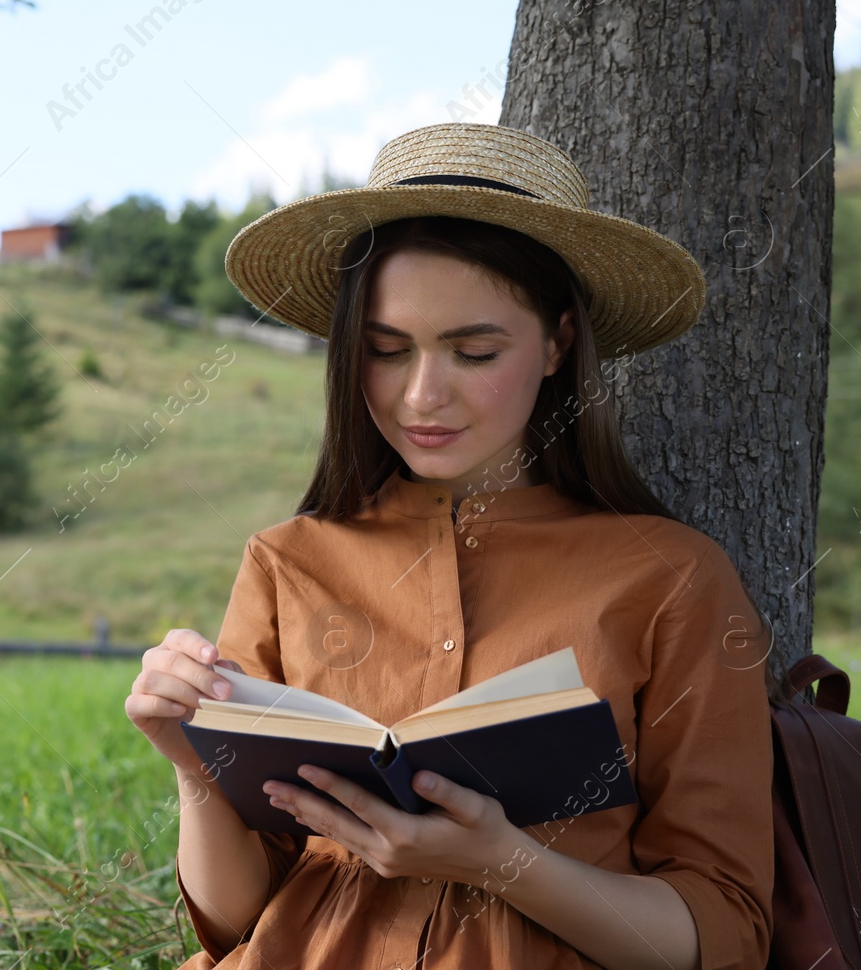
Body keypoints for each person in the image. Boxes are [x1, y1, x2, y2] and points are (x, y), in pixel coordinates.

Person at [124, 122, 775, 970]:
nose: (422, 395)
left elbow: (723, 933)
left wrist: (499, 861)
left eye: (475, 350)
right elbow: (236, 915)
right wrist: (194, 768)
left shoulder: (671, 578)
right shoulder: (288, 561)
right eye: (386, 351)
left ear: (557, 342)